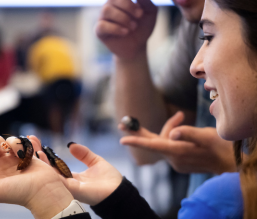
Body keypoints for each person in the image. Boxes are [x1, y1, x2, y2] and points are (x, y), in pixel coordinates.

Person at [0, 0, 256, 218]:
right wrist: (120, 199)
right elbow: (144, 147)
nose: (195, 66)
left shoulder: (221, 200)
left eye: (209, 37)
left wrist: (52, 205)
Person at [95, 0, 236, 206]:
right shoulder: (192, 23)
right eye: (205, 37)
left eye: (211, 38)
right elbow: (149, 146)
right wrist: (130, 57)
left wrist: (236, 160)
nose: (196, 66)